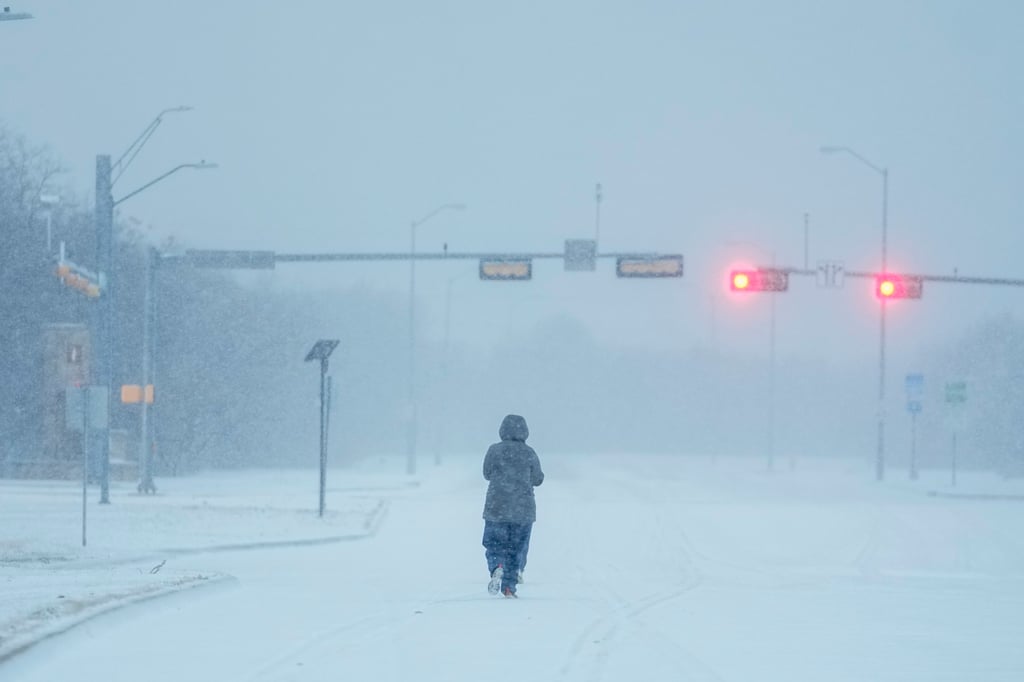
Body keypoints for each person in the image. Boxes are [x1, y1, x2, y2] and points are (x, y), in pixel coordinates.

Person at [482, 414, 544, 598]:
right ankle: (509, 587)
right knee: (516, 548)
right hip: (522, 510)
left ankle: (497, 566)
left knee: (494, 543)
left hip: (496, 507)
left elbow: (486, 473)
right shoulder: (529, 453)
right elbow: (537, 479)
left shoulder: (494, 450)